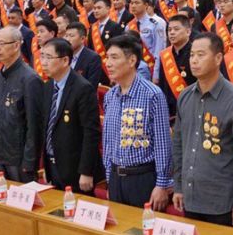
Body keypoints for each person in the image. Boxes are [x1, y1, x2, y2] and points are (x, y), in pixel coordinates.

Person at [172, 33, 233, 226]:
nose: (194, 60)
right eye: (192, 55)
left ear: (218, 58)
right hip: (190, 197)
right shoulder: (185, 96)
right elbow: (178, 145)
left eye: (201, 55)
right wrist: (178, 186)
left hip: (222, 203)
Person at [102, 34, 172, 208]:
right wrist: (110, 178)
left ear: (132, 60)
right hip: (117, 178)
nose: (108, 63)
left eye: (114, 57)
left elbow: (162, 143)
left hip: (143, 179)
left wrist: (162, 184)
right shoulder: (110, 96)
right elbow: (108, 142)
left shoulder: (152, 94)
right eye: (107, 57)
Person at [0, 26, 43, 182]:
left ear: (16, 45)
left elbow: (34, 126)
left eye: (2, 44)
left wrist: (29, 162)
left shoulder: (30, 78)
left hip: (18, 157)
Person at [40, 38, 103, 193]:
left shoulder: (82, 88)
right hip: (53, 163)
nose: (43, 62)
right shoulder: (48, 87)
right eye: (42, 56)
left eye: (49, 57)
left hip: (75, 168)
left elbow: (91, 133)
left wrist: (86, 171)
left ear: (65, 60)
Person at [156, 14, 196, 117]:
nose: (172, 33)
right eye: (169, 30)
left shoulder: (195, 53)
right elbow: (162, 84)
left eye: (176, 29)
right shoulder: (165, 55)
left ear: (188, 31)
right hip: (169, 111)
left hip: (191, 109)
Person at [64, 22, 105, 86]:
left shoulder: (93, 58)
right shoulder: (62, 55)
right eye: (66, 36)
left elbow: (91, 87)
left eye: (71, 36)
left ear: (82, 39)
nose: (67, 39)